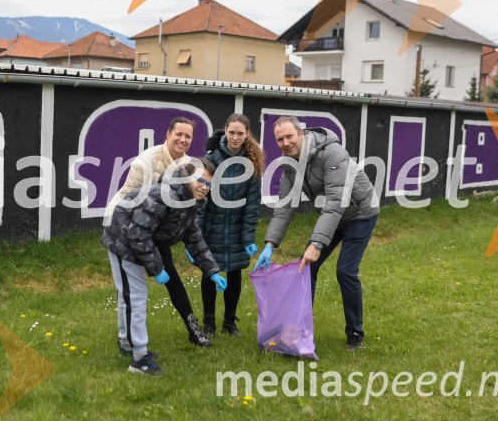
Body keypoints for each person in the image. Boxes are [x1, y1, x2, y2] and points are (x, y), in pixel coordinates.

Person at [253, 116, 379, 350]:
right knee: (305, 267)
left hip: (360, 213)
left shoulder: (332, 153)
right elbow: (284, 207)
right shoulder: (289, 165)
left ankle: (355, 335)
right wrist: (270, 244)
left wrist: (317, 244)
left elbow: (335, 201)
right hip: (332, 216)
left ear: (301, 134)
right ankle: (297, 330)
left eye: (289, 136)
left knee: (345, 272)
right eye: (280, 139)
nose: (285, 142)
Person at [102, 160, 227, 375]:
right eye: (199, 180)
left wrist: (212, 270)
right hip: (123, 241)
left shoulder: (191, 201)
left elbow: (194, 238)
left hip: (137, 242)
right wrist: (157, 269)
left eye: (208, 184)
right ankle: (139, 359)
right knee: (135, 296)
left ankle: (127, 344)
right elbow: (137, 234)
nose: (203, 187)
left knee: (130, 296)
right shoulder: (163, 195)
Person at [105, 117, 213, 347]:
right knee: (131, 287)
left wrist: (190, 244)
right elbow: (132, 199)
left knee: (171, 275)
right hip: (130, 223)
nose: (183, 140)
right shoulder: (146, 160)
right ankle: (128, 340)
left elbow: (188, 211)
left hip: (158, 225)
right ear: (168, 134)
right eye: (179, 134)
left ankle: (193, 328)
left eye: (188, 136)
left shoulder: (190, 165)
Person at [195, 113, 264, 337]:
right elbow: (201, 200)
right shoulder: (211, 159)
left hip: (236, 229)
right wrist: (197, 233)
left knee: (234, 273)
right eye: (231, 132)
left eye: (240, 134)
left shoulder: (252, 163)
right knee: (209, 272)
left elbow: (252, 205)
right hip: (212, 227)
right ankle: (208, 321)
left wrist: (247, 238)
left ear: (247, 135)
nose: (235, 137)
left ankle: (229, 322)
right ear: (225, 131)